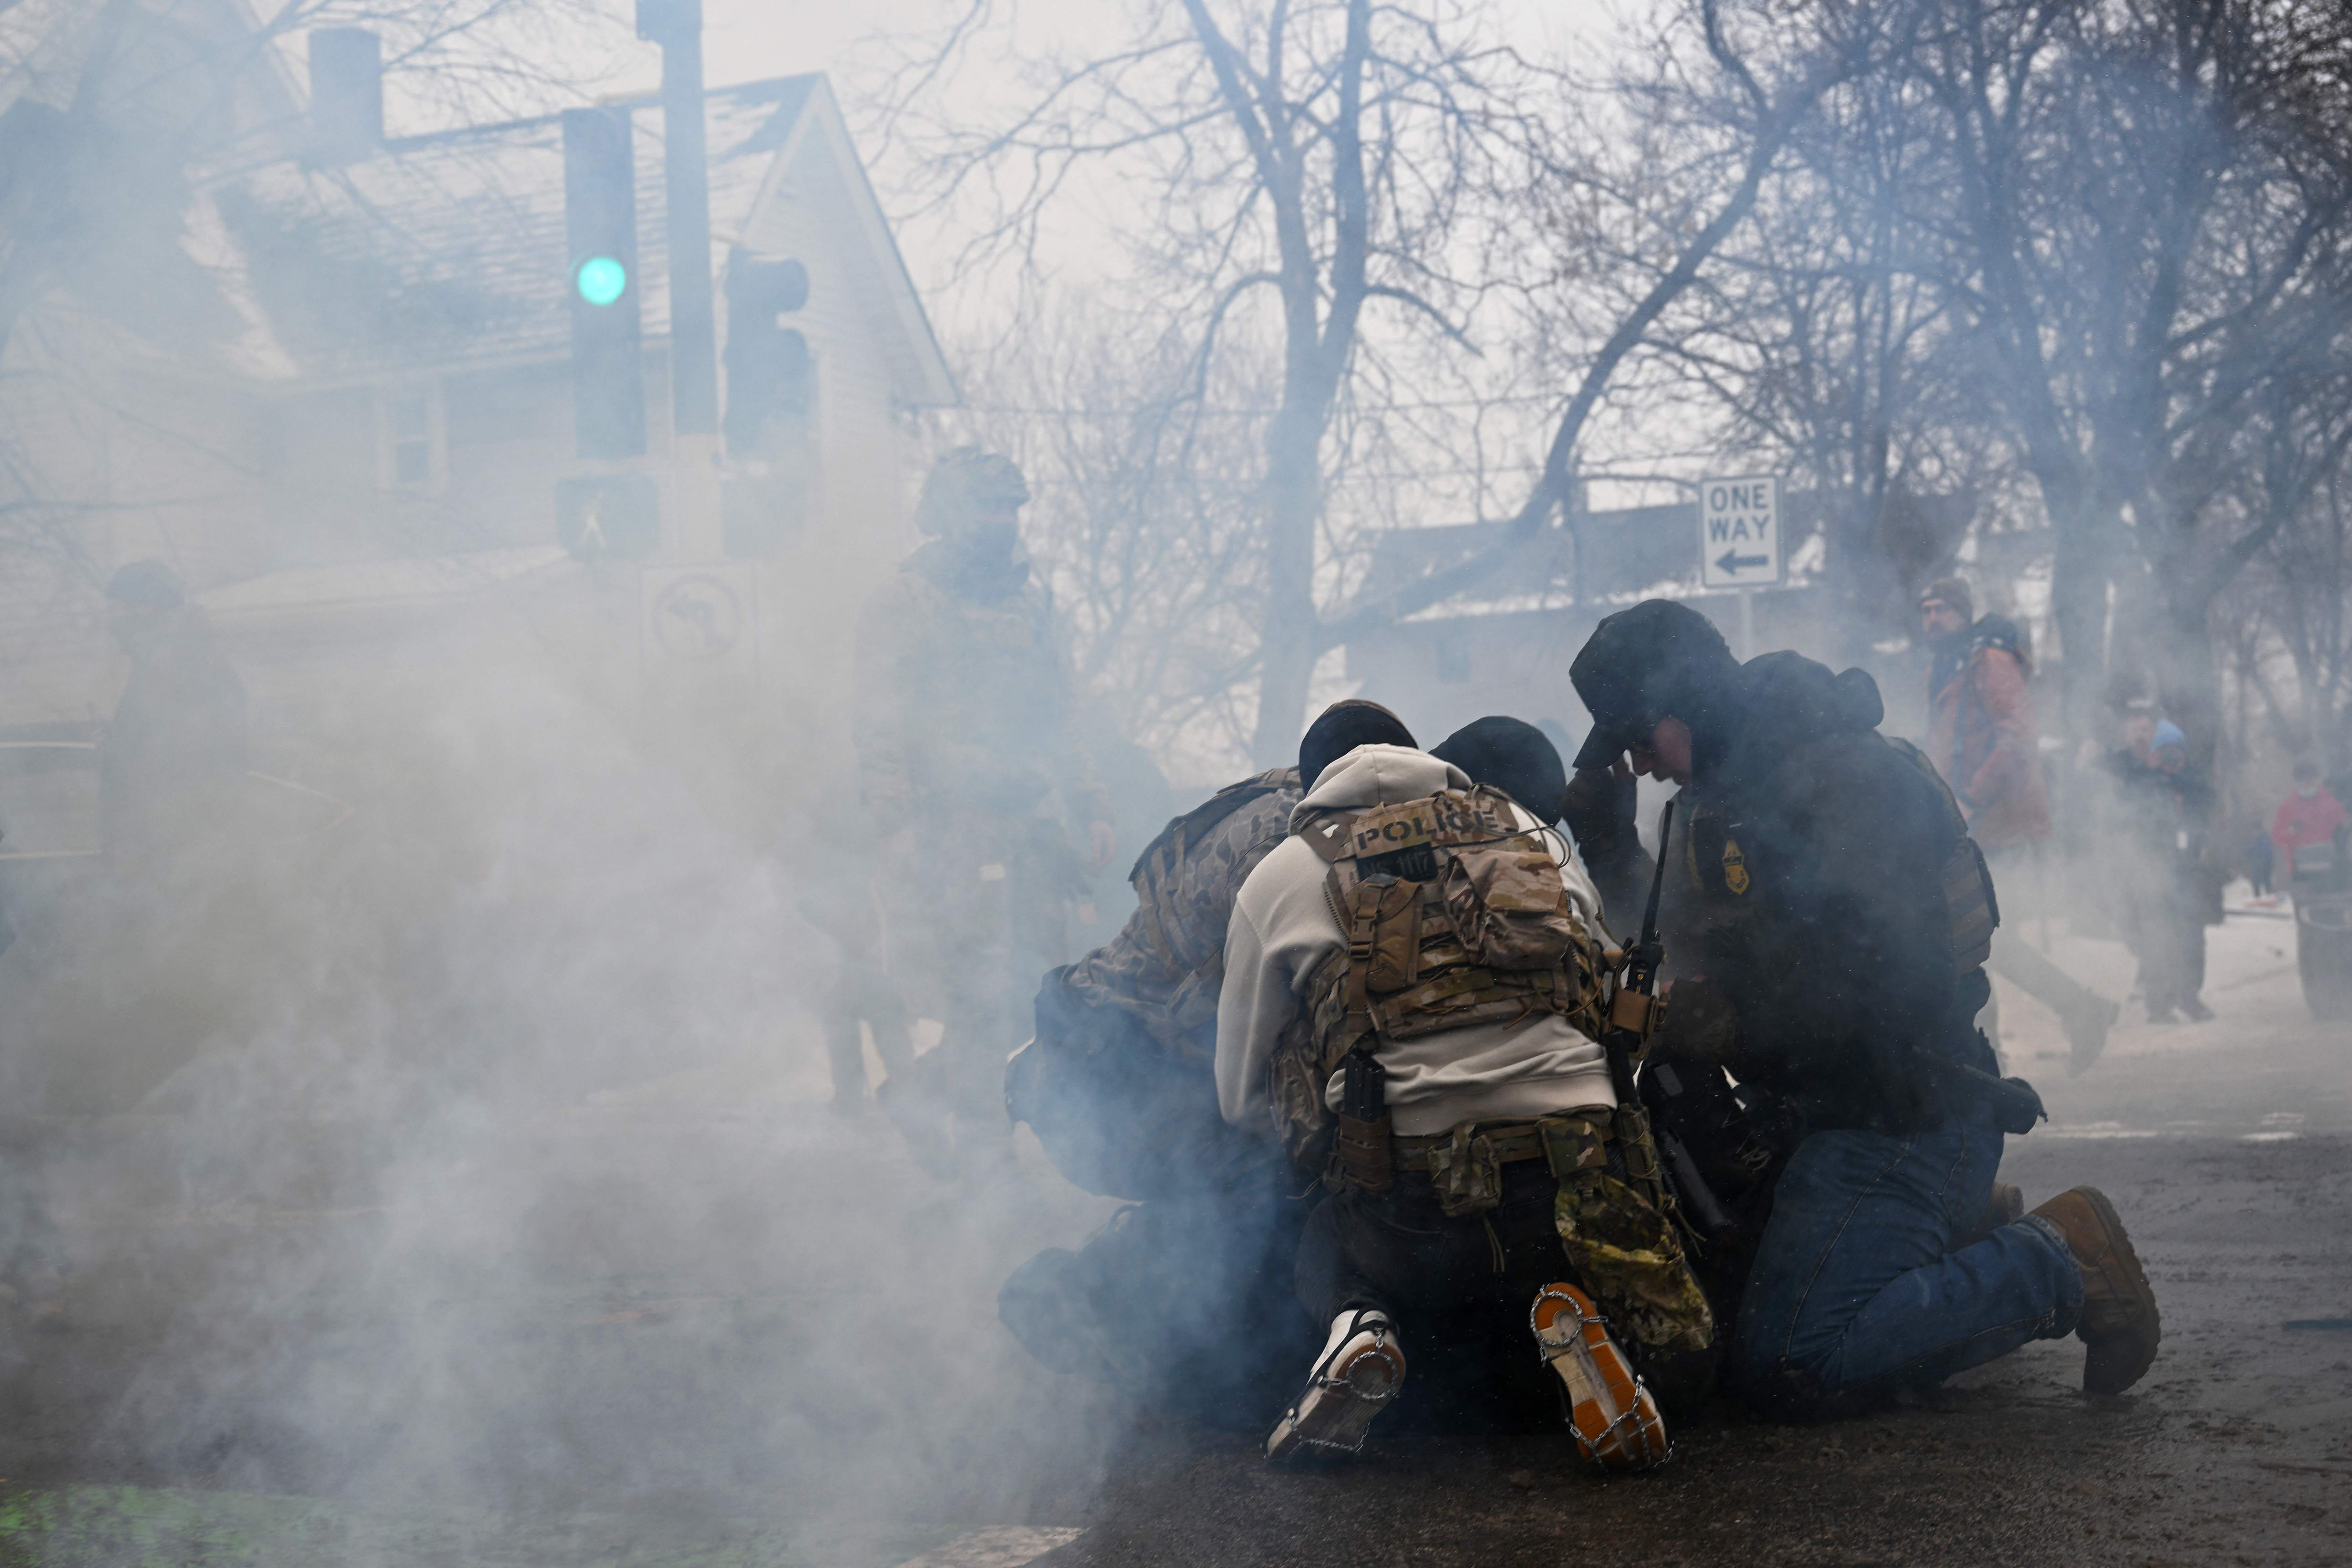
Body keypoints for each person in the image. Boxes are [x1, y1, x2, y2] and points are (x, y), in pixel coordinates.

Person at [1568, 599, 2159, 1420]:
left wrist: (1738, 1022)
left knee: (1792, 1360)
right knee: (1715, 1307)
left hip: (1903, 1114)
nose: (1641, 766)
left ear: (1689, 702)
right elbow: (1673, 948)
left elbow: (1887, 985)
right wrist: (1604, 846)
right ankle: (1945, 1240)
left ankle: (2060, 1262)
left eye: (1642, 739)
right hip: (1818, 1114)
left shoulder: (1843, 779)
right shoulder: (1716, 798)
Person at [1216, 728, 1712, 1468]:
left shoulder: (1278, 876)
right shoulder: (1529, 834)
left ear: (1313, 786)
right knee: (1596, 1295)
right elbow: (1611, 1011)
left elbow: (1237, 1098)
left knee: (1326, 1231)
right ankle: (1583, 1322)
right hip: (1570, 1188)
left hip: (1403, 1212)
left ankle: (1360, 1323)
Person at [996, 700, 1415, 1428]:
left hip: (1148, 1049)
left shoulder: (1329, 818)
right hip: (1105, 1067)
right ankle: (1096, 1299)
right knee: (1265, 1177)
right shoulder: (1291, 850)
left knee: (1285, 1157)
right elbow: (1252, 1073)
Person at [851, 448, 1115, 1174]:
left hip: (1029, 830)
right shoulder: (902, 602)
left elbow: (1062, 716)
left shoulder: (1031, 603)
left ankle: (919, 1090)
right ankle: (983, 1160)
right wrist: (898, 826)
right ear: (946, 512)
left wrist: (1088, 802)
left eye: (1010, 508)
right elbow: (878, 727)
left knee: (1039, 994)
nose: (1000, 523)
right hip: (949, 832)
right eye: (985, 507)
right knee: (975, 993)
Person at [1917, 576, 2117, 1073]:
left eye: (1940, 608)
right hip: (1965, 822)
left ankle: (2003, 1046)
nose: (1931, 618)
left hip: (1992, 819)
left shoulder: (1989, 660)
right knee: (1973, 940)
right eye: (1924, 610)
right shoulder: (1947, 665)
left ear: (1963, 613)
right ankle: (2010, 1041)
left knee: (1974, 937)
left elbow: (2015, 732)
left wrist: (1969, 796)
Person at [98, 560, 249, 872]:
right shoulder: (163, 659)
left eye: (127, 607)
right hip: (160, 834)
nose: (119, 619)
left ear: (149, 608)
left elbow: (188, 745)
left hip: (177, 839)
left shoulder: (181, 659)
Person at [2100, 720, 2218, 1023]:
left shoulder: (2194, 784)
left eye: (2176, 752)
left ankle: (2189, 996)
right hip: (2152, 873)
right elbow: (2114, 789)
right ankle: (2159, 1004)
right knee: (2158, 938)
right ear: (2153, 754)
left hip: (2187, 872)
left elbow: (2208, 812)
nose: (2170, 758)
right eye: (2164, 751)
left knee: (2192, 937)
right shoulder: (2139, 782)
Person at [2273, 759, 2347, 891]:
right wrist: (2291, 832)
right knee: (2307, 906)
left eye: (2311, 780)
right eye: (2303, 781)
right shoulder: (2287, 808)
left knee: (2336, 905)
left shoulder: (2331, 803)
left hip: (2331, 869)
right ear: (2297, 783)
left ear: (2317, 781)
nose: (2308, 785)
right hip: (2301, 871)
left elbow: (2344, 829)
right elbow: (2278, 836)